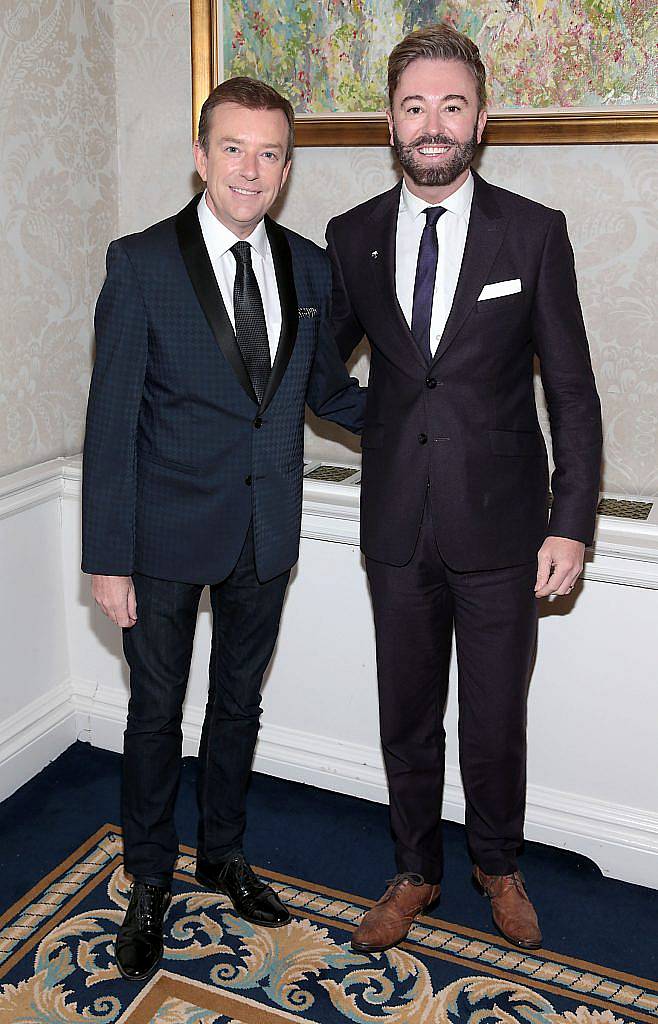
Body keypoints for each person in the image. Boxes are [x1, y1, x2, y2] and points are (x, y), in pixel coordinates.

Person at [82, 77, 365, 981]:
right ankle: (152, 880)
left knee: (240, 706)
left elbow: (326, 394)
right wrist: (106, 558)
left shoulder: (311, 267)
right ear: (200, 156)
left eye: (270, 153)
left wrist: (435, 413)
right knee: (155, 714)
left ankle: (224, 853)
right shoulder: (140, 262)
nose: (252, 168)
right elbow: (110, 420)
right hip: (161, 534)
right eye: (233, 148)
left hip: (263, 530)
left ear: (287, 169)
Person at [326, 24, 602, 953]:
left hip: (506, 530)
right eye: (414, 107)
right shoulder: (352, 236)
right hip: (396, 524)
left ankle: (496, 861)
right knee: (405, 713)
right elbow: (322, 373)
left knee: (493, 718)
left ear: (480, 119)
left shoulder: (533, 231)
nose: (433, 124)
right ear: (390, 124)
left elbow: (571, 391)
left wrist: (572, 525)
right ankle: (415, 870)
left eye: (452, 105)